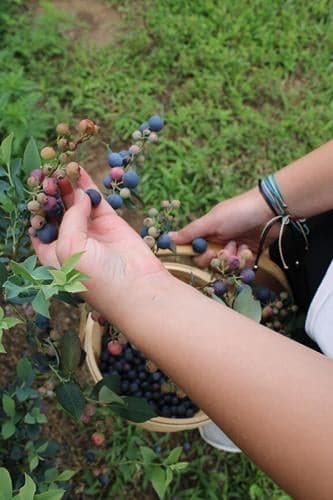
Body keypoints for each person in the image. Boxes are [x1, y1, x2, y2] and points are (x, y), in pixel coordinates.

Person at [33, 140, 333, 499]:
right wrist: (269, 202)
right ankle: (248, 408)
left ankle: (241, 419)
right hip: (318, 236)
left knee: (285, 360)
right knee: (286, 333)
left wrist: (138, 290)